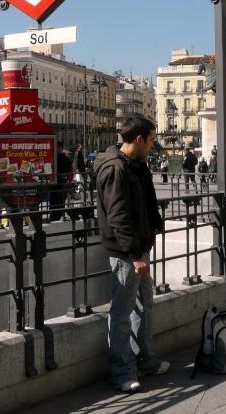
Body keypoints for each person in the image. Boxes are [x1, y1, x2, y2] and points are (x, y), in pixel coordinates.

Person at [95, 117, 168, 393]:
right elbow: (118, 216)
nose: (152, 146)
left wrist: (153, 226)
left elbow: (144, 203)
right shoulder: (115, 168)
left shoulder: (136, 165)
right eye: (151, 140)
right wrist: (135, 254)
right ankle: (123, 371)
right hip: (126, 251)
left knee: (144, 304)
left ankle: (145, 360)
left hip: (139, 247)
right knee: (122, 312)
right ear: (139, 139)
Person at [53, 142, 73, 221]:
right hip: (63, 181)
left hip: (60, 182)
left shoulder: (59, 158)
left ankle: (60, 216)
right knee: (62, 200)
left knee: (60, 200)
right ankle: (62, 215)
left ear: (59, 148)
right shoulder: (66, 159)